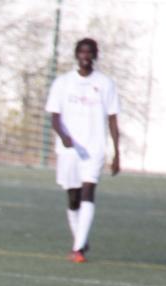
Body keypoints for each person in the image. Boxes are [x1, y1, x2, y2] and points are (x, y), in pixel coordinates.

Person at [45, 37, 120, 263]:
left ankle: (78, 248)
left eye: (90, 53)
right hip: (70, 150)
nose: (85, 57)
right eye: (82, 52)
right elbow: (55, 118)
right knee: (73, 197)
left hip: (95, 148)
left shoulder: (106, 84)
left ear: (95, 56)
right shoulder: (62, 83)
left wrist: (117, 152)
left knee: (88, 192)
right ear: (76, 55)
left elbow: (113, 119)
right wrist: (65, 137)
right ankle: (80, 236)